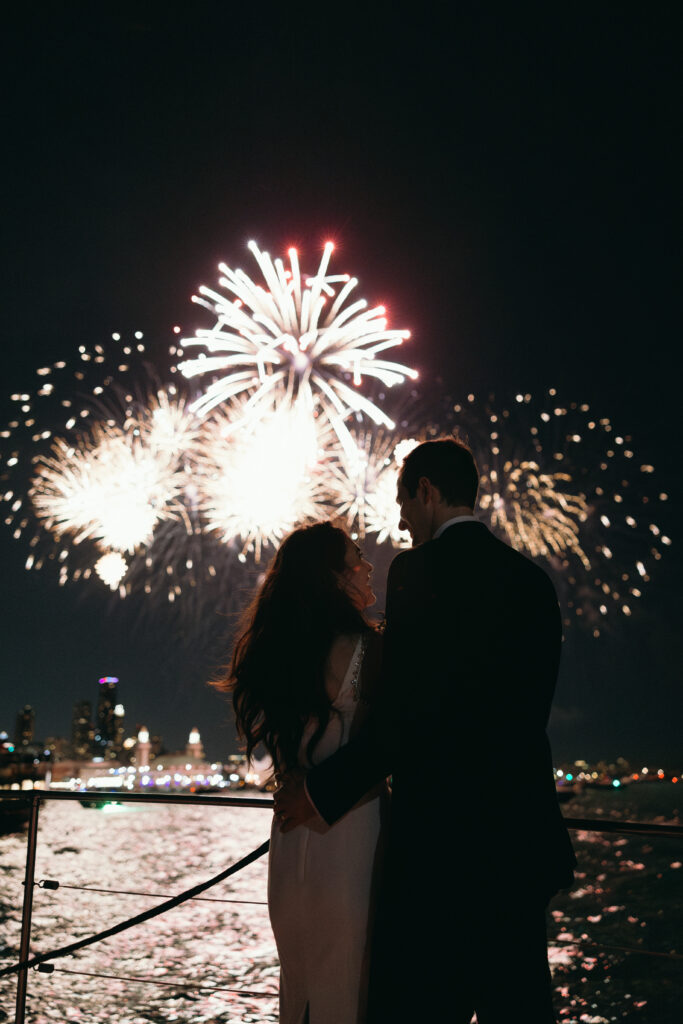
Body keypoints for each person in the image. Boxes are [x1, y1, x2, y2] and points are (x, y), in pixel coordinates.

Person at [275, 438, 576, 1023]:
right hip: (520, 844)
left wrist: (318, 792)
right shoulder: (533, 582)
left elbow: (406, 717)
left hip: (441, 850)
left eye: (404, 502)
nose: (403, 520)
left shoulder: (419, 572)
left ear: (429, 492)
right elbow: (525, 714)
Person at [214, 522, 389, 1024]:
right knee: (350, 979)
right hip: (353, 826)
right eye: (358, 555)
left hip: (289, 836)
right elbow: (388, 742)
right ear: (335, 577)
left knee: (300, 982)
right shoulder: (369, 649)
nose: (370, 564)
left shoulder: (274, 653)